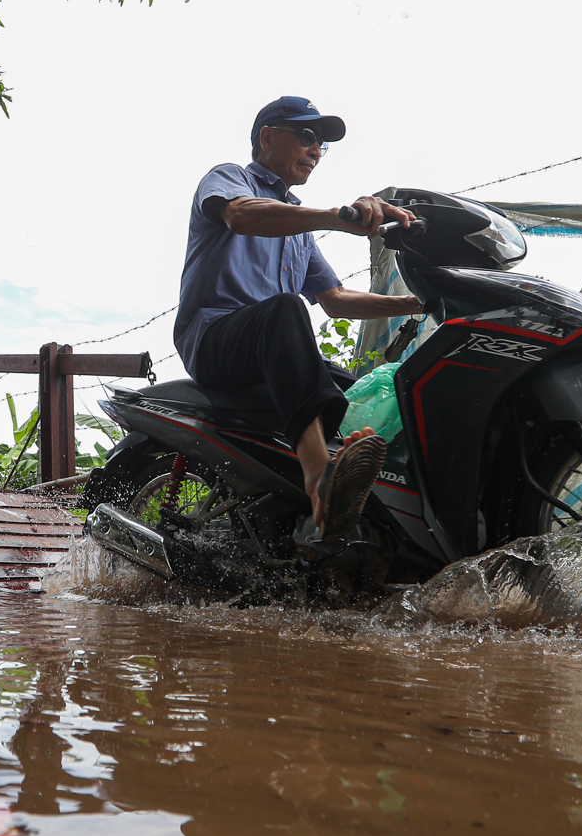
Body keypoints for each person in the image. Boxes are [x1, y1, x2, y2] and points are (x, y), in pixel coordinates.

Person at [174, 96, 422, 537]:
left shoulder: (298, 230)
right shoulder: (231, 179)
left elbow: (337, 298)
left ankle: (381, 520)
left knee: (377, 391)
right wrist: (336, 217)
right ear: (267, 137)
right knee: (286, 309)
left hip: (274, 357)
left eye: (322, 144)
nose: (315, 150)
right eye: (308, 136)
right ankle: (318, 480)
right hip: (214, 342)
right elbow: (240, 216)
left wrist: (419, 303)